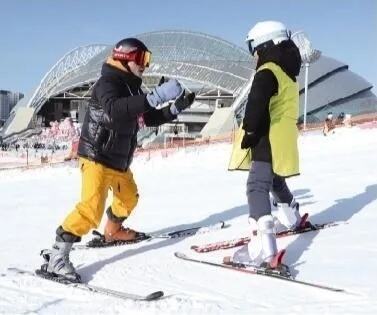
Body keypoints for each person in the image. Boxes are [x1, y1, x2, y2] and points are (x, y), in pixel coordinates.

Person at [40, 37, 195, 282]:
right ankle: (57, 257)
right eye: (142, 59)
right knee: (91, 209)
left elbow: (145, 118)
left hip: (119, 160)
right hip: (96, 157)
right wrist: (154, 97)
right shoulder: (107, 83)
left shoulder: (133, 88)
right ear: (126, 57)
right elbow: (115, 109)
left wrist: (174, 109)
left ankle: (112, 231)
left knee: (129, 197)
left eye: (148, 60)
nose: (146, 65)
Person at [225, 21, 309, 270]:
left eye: (253, 47)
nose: (253, 54)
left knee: (256, 186)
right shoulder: (288, 73)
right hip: (282, 137)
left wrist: (250, 130)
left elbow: (256, 102)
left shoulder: (267, 70)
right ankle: (292, 217)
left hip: (265, 137)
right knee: (274, 180)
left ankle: (264, 247)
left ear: (263, 44)